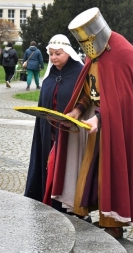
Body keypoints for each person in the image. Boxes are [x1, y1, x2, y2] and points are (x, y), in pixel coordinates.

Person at [49, 7, 133, 239]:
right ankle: (87, 211)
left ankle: (112, 223)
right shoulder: (95, 55)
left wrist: (100, 117)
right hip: (96, 127)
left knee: (114, 172)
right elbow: (90, 90)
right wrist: (78, 109)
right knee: (90, 170)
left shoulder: (123, 52)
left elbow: (125, 98)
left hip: (119, 128)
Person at [24, 34, 84, 208]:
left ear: (68, 52)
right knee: (47, 163)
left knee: (66, 167)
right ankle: (46, 197)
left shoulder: (79, 73)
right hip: (48, 130)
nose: (53, 58)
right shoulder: (50, 74)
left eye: (58, 53)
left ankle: (68, 204)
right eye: (50, 54)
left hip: (69, 132)